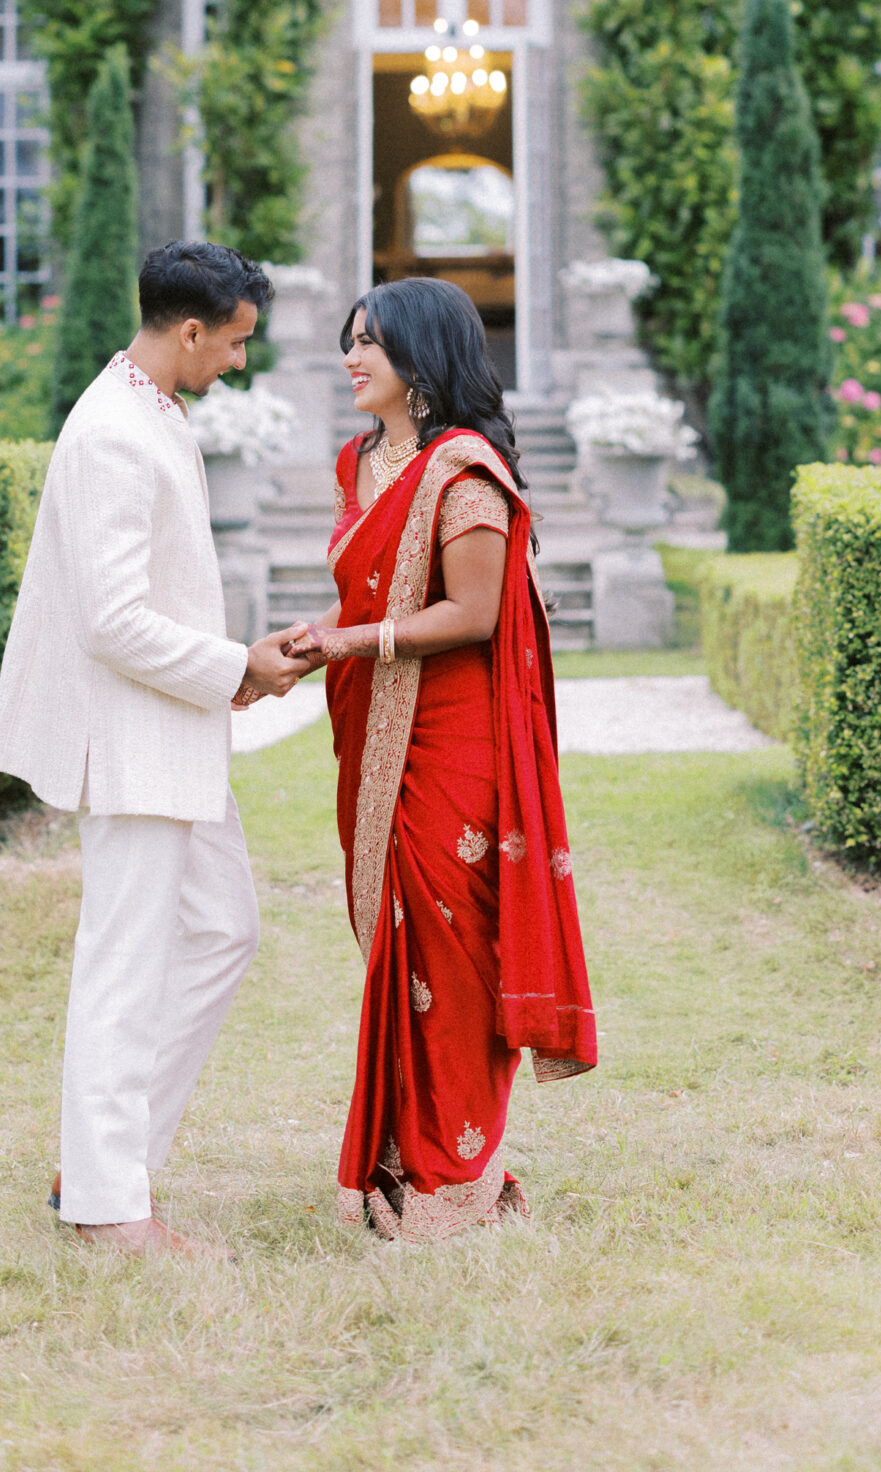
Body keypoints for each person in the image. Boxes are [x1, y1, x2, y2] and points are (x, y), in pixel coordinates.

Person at [0, 238, 311, 1257]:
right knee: (124, 963)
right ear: (188, 330)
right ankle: (106, 1204)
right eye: (236, 343)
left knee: (224, 930)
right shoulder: (113, 432)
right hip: (128, 740)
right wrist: (234, 667)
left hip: (175, 730)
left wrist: (230, 675)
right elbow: (113, 622)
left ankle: (102, 1158)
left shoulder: (153, 411)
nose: (240, 363)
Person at [281, 277, 596, 1243]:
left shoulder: (464, 472)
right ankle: (398, 1164)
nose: (352, 356)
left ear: (420, 361)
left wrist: (351, 643)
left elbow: (471, 615)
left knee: (452, 948)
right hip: (376, 722)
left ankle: (455, 1174)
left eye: (370, 343)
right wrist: (304, 651)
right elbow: (368, 595)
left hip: (453, 735)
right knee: (395, 942)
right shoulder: (358, 463)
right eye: (350, 340)